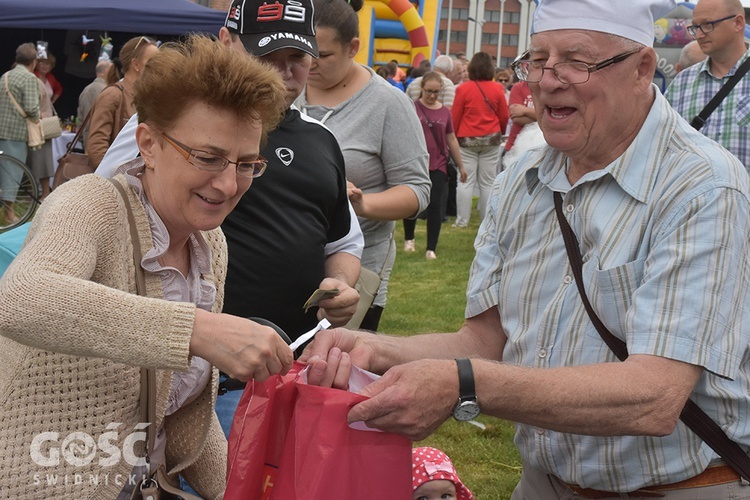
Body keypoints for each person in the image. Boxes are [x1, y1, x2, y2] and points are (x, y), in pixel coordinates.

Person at [301, 0, 750, 498]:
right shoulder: (524, 173)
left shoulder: (703, 187)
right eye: (537, 60)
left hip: (684, 488)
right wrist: (375, 349)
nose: (547, 81)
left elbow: (655, 396)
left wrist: (462, 385)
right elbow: (484, 342)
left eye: (576, 62)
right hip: (544, 483)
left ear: (642, 68)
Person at [0, 35, 290, 499]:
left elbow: (175, 410)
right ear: (148, 144)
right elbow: (21, 300)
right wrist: (199, 331)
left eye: (247, 164)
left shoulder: (210, 244)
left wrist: (237, 492)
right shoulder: (91, 203)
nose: (229, 182)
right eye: (209, 157)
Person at [96, 0, 363, 436]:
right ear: (226, 40)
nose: (282, 72)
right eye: (266, 56)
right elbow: (106, 214)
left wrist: (341, 284)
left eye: (296, 58)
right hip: (199, 381)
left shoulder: (322, 139)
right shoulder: (169, 122)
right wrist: (191, 332)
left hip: (297, 370)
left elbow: (343, 240)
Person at [296, 0, 431, 331]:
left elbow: (418, 190)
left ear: (353, 47)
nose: (309, 64)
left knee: (334, 372)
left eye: (323, 55)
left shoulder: (388, 103)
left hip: (357, 271)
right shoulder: (286, 90)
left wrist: (362, 203)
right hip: (285, 263)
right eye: (302, 53)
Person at [665, 0, 750, 171]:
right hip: (694, 197)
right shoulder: (681, 83)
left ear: (738, 23)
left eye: (707, 25)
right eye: (695, 27)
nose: (699, 35)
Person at [403, 72, 466, 260]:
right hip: (415, 162)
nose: (432, 95)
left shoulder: (445, 112)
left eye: (436, 92)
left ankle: (431, 248)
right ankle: (409, 238)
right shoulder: (412, 108)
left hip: (438, 163)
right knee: (411, 202)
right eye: (429, 91)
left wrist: (461, 165)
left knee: (435, 205)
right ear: (421, 89)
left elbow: (451, 139)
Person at [451, 51, 509, 228]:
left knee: (465, 181)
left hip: (466, 140)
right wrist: (499, 131)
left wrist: (453, 137)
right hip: (491, 139)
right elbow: (504, 116)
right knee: (488, 182)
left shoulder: (463, 89)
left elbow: (455, 116)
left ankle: (462, 221)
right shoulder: (497, 89)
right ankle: (487, 220)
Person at [86, 35, 158, 168]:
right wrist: (112, 182)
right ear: (136, 64)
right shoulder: (112, 95)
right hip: (115, 183)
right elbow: (96, 148)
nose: (159, 67)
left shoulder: (149, 98)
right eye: (153, 62)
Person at [0, 43, 40, 224]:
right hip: (16, 132)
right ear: (33, 62)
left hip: (1, 129)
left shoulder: (5, 76)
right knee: (13, 173)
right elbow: (32, 108)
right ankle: (9, 214)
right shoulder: (29, 78)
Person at [26, 67, 56, 200]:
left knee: (41, 161)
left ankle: (44, 194)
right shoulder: (36, 81)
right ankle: (38, 193)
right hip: (38, 125)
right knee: (37, 161)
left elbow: (33, 107)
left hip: (40, 126)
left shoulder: (34, 82)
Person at [77, 59, 112, 146]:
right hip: (97, 140)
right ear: (105, 72)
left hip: (92, 138)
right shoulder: (104, 90)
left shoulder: (88, 89)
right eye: (112, 71)